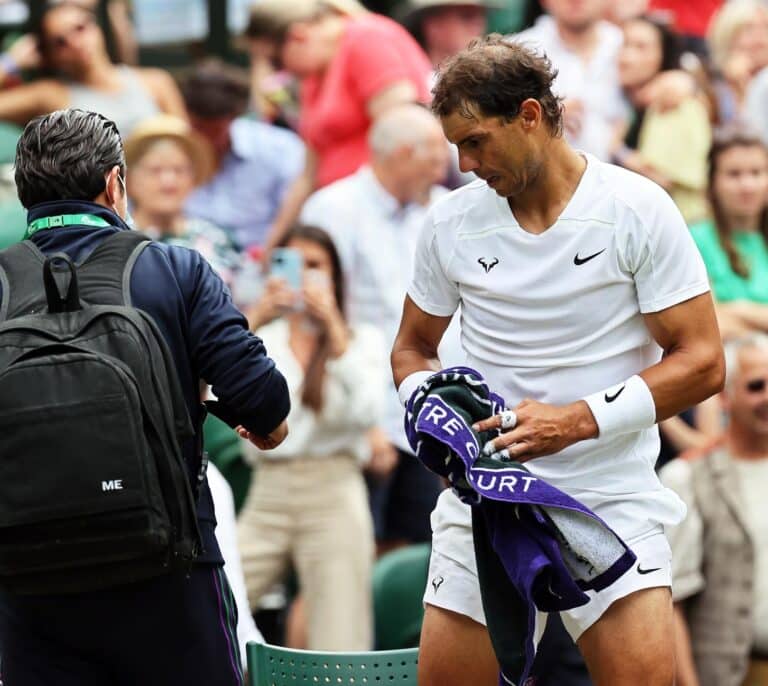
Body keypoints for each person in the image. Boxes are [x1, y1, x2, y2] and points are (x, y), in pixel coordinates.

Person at [391, 36, 725, 686]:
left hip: (612, 495)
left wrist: (572, 423)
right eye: (455, 145)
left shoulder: (636, 209)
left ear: (531, 116)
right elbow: (412, 347)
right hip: (487, 495)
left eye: (477, 141)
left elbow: (704, 362)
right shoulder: (448, 224)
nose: (464, 163)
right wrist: (425, 402)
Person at [0, 108, 290, 686]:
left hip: (30, 579)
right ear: (114, 185)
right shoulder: (175, 269)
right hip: (169, 570)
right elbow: (267, 407)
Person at [299, 104, 452, 549]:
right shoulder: (331, 208)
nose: (449, 165)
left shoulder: (442, 211)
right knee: (354, 551)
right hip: (357, 407)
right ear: (404, 153)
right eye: (437, 154)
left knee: (420, 548)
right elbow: (309, 313)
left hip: (426, 412)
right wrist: (368, 426)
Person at [238, 223, 385, 651]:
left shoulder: (361, 340)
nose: (303, 275)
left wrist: (334, 329)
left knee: (342, 638)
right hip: (268, 490)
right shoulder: (258, 338)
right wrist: (253, 317)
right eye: (291, 265)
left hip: (333, 489)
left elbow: (369, 412)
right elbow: (210, 390)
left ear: (336, 275)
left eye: (315, 265)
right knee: (214, 600)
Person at [245, 0, 433, 253]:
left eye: (275, 62)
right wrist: (274, 244)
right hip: (344, 222)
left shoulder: (367, 39)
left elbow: (404, 137)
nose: (278, 73)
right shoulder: (315, 73)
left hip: (384, 225)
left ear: (298, 36)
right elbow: (308, 174)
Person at [660, 334, 768, 686]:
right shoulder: (687, 477)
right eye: (756, 386)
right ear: (725, 396)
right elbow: (670, 603)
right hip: (731, 675)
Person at [0, 1, 185, 135]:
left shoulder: (156, 81)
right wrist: (11, 62)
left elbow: (190, 147)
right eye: (60, 42)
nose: (75, 43)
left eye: (79, 28)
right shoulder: (52, 94)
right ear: (51, 56)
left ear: (97, 27)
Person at [181, 60, 305, 252]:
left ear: (234, 118)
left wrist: (271, 249)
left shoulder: (280, 148)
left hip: (261, 262)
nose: (207, 140)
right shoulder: (172, 153)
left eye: (215, 131)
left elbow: (296, 215)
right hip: (190, 262)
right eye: (199, 128)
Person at [124, 113, 242, 286]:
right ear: (129, 180)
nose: (169, 182)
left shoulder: (216, 239)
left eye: (179, 170)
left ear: (192, 180)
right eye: (155, 170)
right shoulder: (113, 240)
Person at [614, 15, 711, 224]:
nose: (627, 56)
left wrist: (617, 151)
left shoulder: (674, 103)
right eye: (624, 45)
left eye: (641, 47)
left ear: (663, 55)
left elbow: (661, 179)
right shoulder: (626, 101)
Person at [690, 128, 768, 340]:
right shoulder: (694, 240)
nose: (747, 185)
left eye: (757, 173)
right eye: (734, 174)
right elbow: (707, 326)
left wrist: (738, 309)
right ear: (713, 182)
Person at [707, 0, 768, 125]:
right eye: (748, 29)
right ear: (727, 36)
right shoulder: (709, 83)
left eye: (766, 28)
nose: (760, 38)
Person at [398, 0, 492, 70]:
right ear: (434, 25)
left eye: (481, 16)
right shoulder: (412, 86)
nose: (478, 24)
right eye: (467, 16)